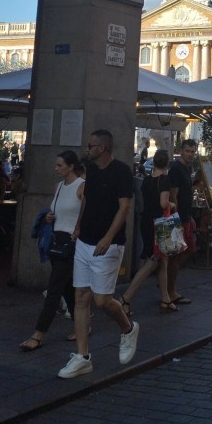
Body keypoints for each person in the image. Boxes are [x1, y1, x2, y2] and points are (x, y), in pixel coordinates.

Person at [57, 128, 139, 379]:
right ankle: (82, 357)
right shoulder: (90, 170)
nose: (86, 149)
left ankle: (128, 329)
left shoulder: (122, 171)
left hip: (108, 244)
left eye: (90, 145)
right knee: (81, 296)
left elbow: (124, 208)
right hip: (84, 240)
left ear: (102, 148)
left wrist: (108, 237)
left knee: (102, 300)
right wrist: (79, 225)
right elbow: (87, 200)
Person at [19, 150, 84, 351]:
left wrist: (79, 228)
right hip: (57, 239)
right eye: (56, 165)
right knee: (67, 287)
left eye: (60, 165)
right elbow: (55, 211)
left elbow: (87, 212)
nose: (56, 169)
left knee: (55, 287)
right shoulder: (58, 187)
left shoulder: (82, 186)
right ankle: (83, 326)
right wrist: (49, 217)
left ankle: (38, 334)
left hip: (71, 242)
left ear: (71, 166)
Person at [119, 149, 179, 315]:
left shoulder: (146, 180)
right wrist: (173, 205)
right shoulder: (165, 180)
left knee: (163, 260)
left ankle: (165, 298)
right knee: (153, 261)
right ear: (167, 163)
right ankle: (125, 298)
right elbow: (163, 203)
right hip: (159, 223)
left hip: (147, 221)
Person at [166, 138, 199, 306]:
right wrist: (176, 218)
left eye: (193, 152)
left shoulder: (187, 168)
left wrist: (190, 216)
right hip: (178, 218)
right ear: (181, 150)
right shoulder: (176, 169)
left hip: (186, 216)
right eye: (188, 151)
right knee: (176, 255)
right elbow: (173, 196)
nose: (190, 154)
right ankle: (170, 290)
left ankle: (169, 284)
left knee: (188, 250)